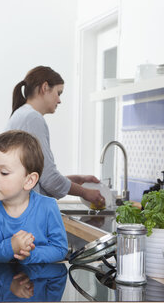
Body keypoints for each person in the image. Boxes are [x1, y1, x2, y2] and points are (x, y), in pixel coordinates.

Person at [6, 66, 105, 207]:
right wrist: (85, 192)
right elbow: (49, 179)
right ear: (45, 87)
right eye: (59, 93)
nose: (59, 100)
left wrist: (75, 179)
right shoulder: (32, 119)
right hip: (25, 210)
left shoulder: (23, 115)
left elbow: (39, 177)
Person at [0, 130, 68, 263]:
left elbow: (60, 249)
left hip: (38, 281)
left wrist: (29, 254)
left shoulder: (48, 207)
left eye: (4, 172)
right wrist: (9, 247)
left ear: (29, 181)